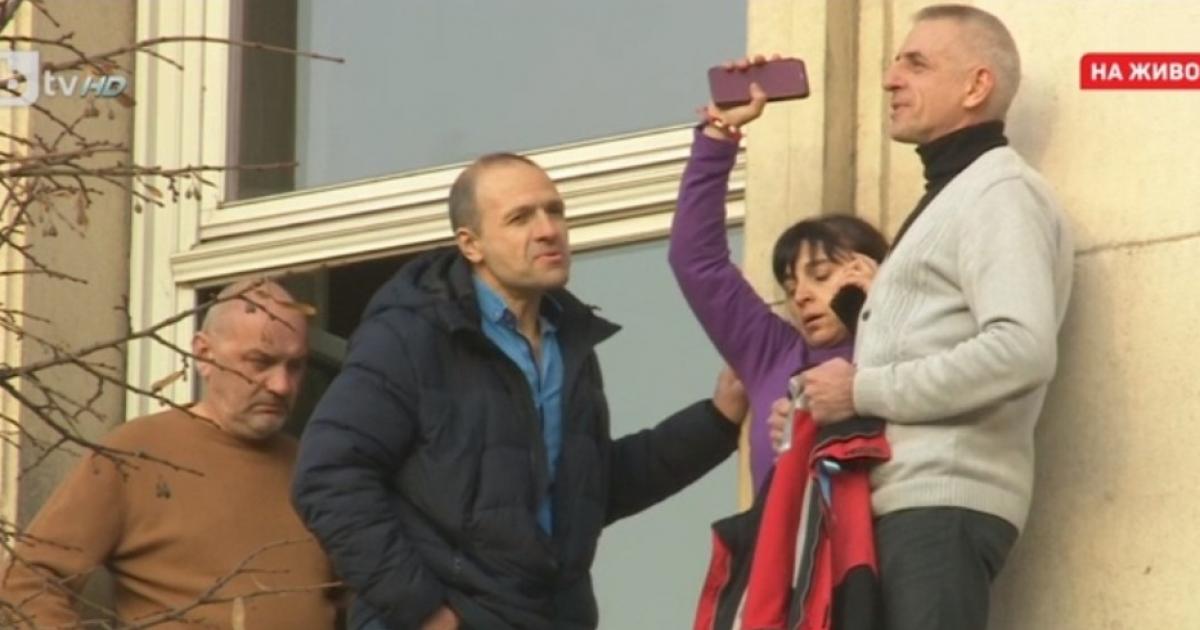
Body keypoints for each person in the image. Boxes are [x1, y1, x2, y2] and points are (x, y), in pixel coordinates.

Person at [290, 152, 749, 630]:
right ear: (471, 245)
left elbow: (590, 490)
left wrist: (717, 420)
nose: (548, 230)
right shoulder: (410, 337)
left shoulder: (568, 342)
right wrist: (422, 611)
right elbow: (327, 474)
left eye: (555, 211)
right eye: (520, 218)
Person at [793, 5, 1075, 629]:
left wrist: (860, 390)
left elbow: (1022, 349)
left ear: (976, 87)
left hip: (939, 509)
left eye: (916, 64)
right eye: (896, 62)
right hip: (908, 509)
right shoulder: (956, 195)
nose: (890, 78)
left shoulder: (999, 192)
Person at [0, 280, 339, 629]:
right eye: (260, 362)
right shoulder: (138, 453)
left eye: (295, 366)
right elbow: (27, 583)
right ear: (204, 355)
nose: (281, 385)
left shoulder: (312, 469)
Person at [669, 56, 889, 493]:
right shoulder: (774, 354)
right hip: (778, 536)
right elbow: (695, 259)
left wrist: (884, 305)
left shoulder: (910, 352)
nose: (802, 295)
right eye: (790, 287)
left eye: (820, 275)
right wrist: (720, 132)